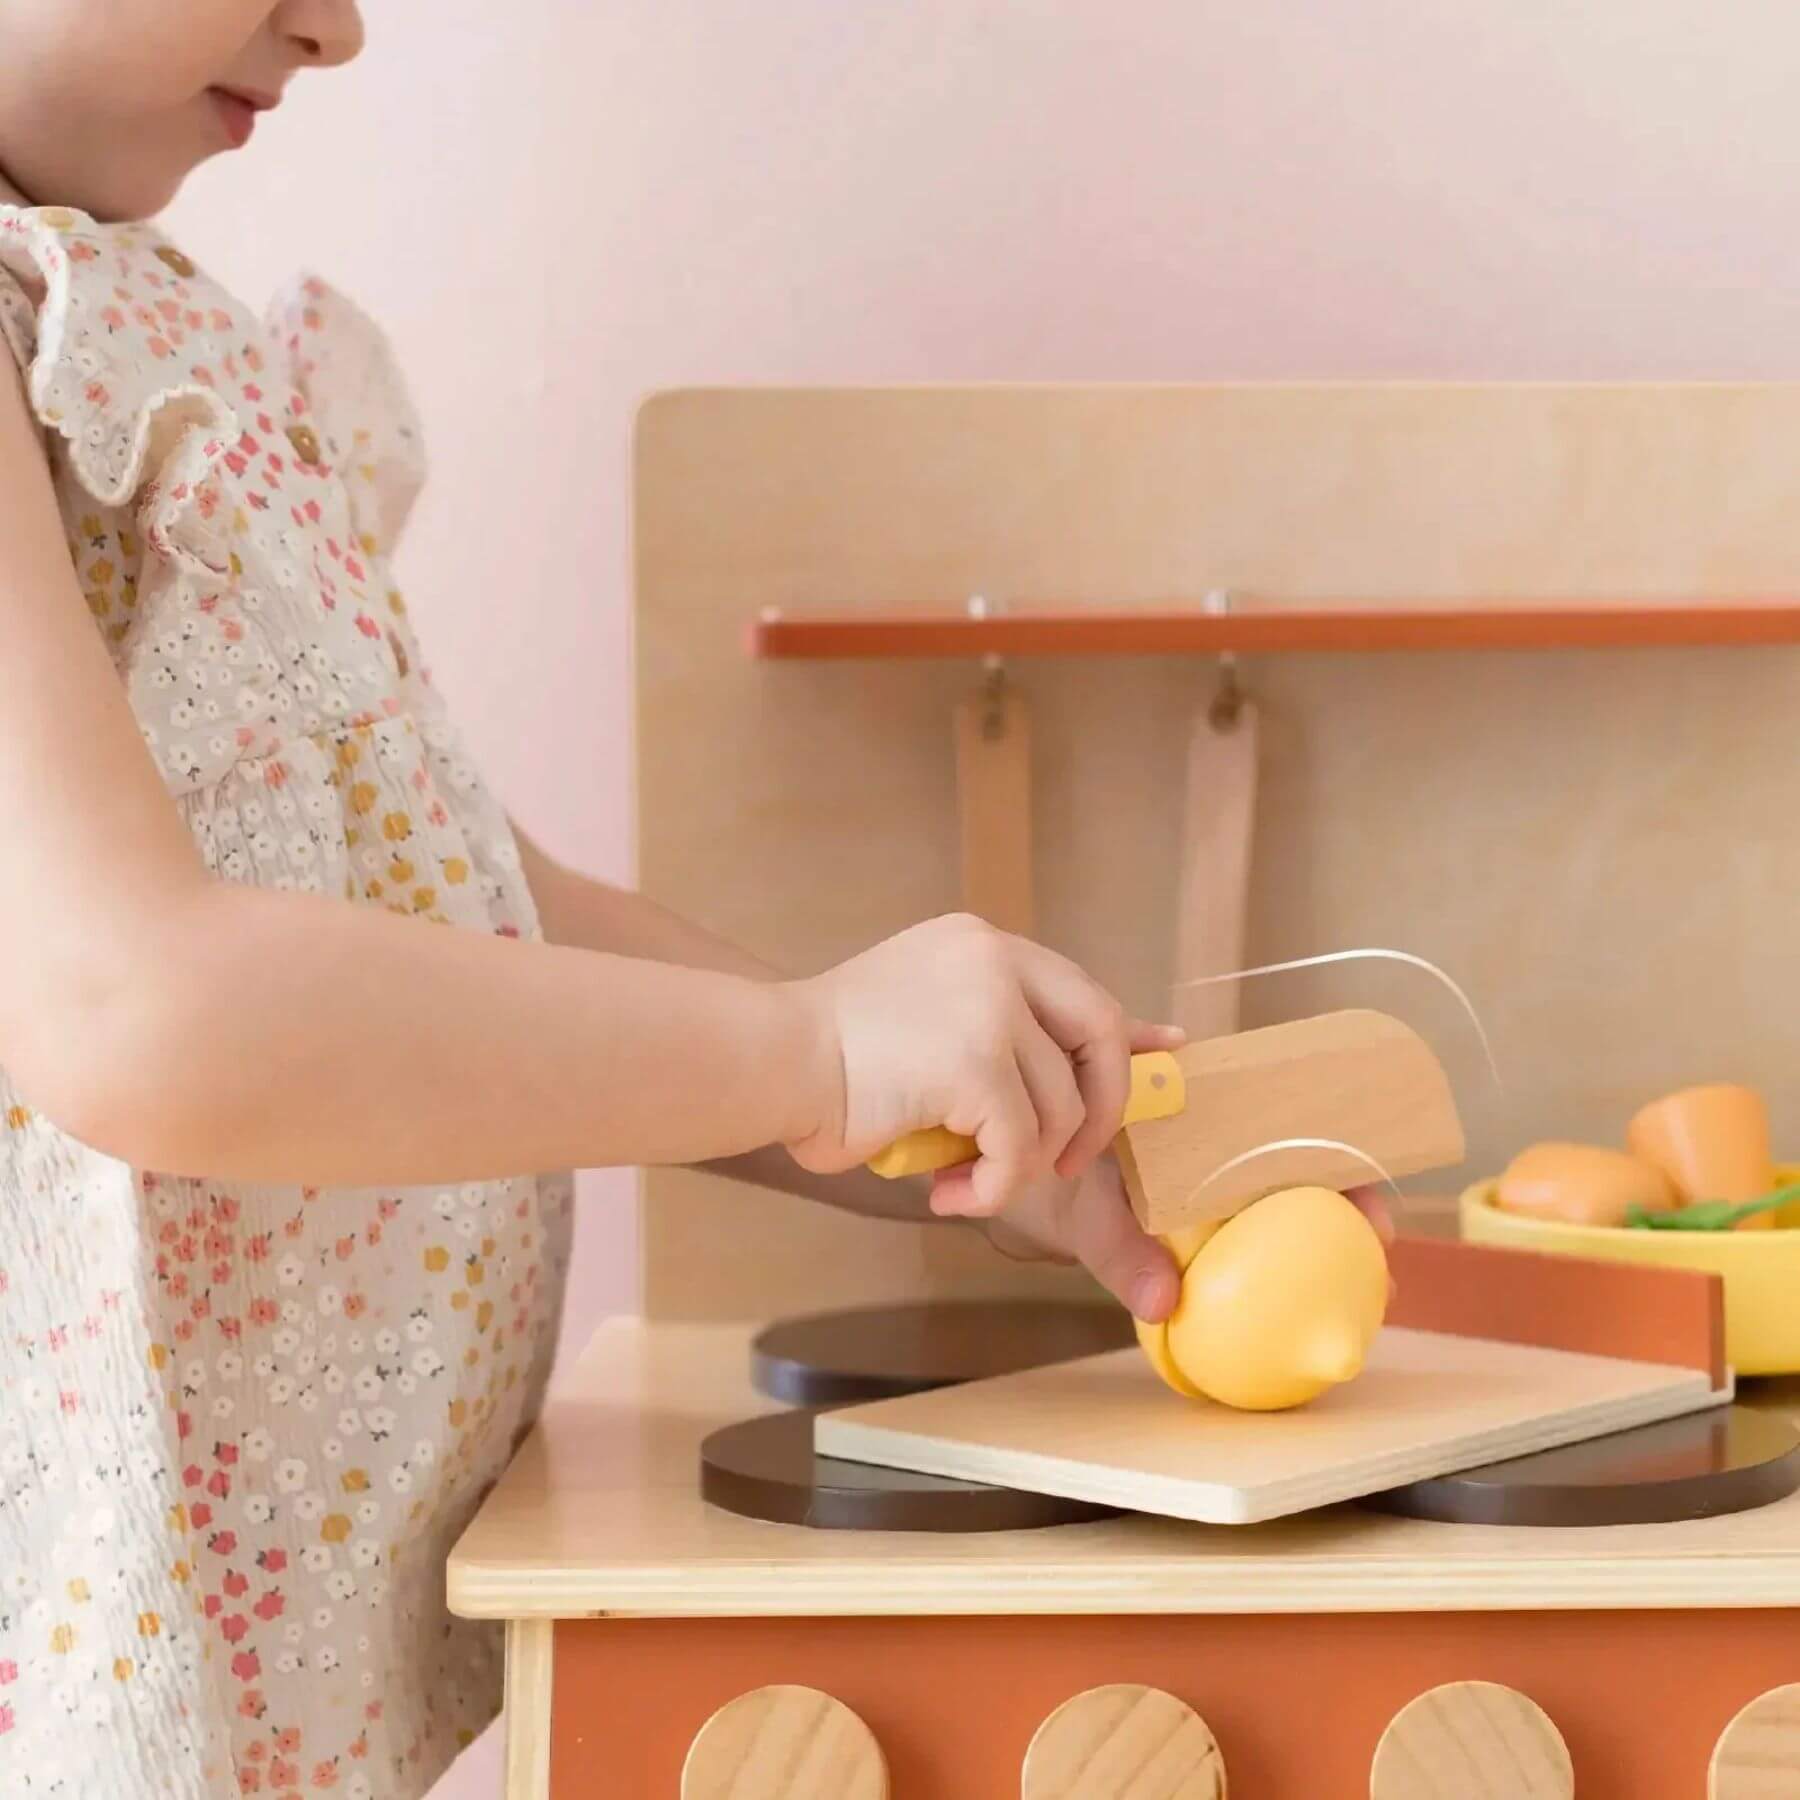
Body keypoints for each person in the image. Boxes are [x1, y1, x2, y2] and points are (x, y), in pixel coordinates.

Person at [0, 7, 1201, 1794]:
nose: (333, 27)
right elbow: (136, 1010)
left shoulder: (119, 315)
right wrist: (807, 1051)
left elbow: (474, 906)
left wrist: (901, 1124)